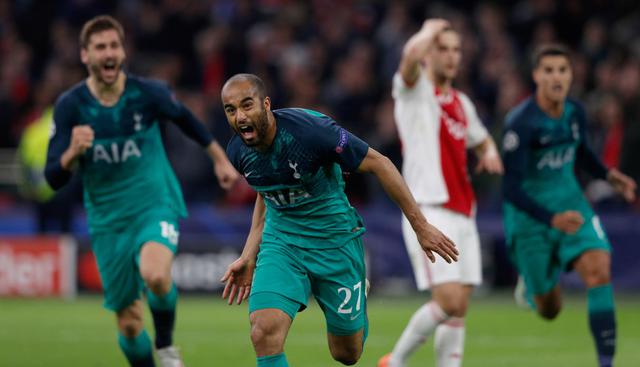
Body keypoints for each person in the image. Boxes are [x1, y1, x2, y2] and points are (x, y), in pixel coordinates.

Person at [219, 73, 459, 367]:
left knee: (347, 353)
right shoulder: (238, 150)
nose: (240, 117)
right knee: (263, 331)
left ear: (266, 104)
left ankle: (358, 298)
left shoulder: (311, 132)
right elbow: (267, 193)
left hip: (334, 240)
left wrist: (421, 227)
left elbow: (380, 164)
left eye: (247, 105)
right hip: (282, 242)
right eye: (231, 110)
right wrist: (248, 255)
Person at [44, 15, 238, 367]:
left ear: (123, 52)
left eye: (114, 46)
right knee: (130, 324)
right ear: (85, 55)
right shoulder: (71, 106)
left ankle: (165, 345)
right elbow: (53, 178)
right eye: (100, 47)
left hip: (153, 203)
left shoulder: (146, 93)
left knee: (156, 274)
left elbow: (185, 118)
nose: (109, 53)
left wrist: (220, 159)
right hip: (107, 220)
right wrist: (72, 153)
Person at [502, 44, 637, 367]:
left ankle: (606, 363)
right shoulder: (521, 122)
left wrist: (608, 175)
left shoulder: (575, 112)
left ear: (571, 75)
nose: (556, 77)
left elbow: (582, 152)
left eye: (562, 70)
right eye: (548, 70)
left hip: (573, 206)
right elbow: (510, 188)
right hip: (531, 219)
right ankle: (531, 287)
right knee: (550, 309)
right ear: (536, 76)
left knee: (599, 271)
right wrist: (551, 218)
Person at [378, 19, 503, 367]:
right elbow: (408, 58)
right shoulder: (413, 92)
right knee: (447, 300)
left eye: (455, 50)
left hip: (464, 211)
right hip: (429, 208)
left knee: (459, 306)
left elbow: (481, 138)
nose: (450, 56)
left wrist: (489, 152)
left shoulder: (461, 102)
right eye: (442, 48)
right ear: (427, 55)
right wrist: (429, 31)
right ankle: (395, 361)